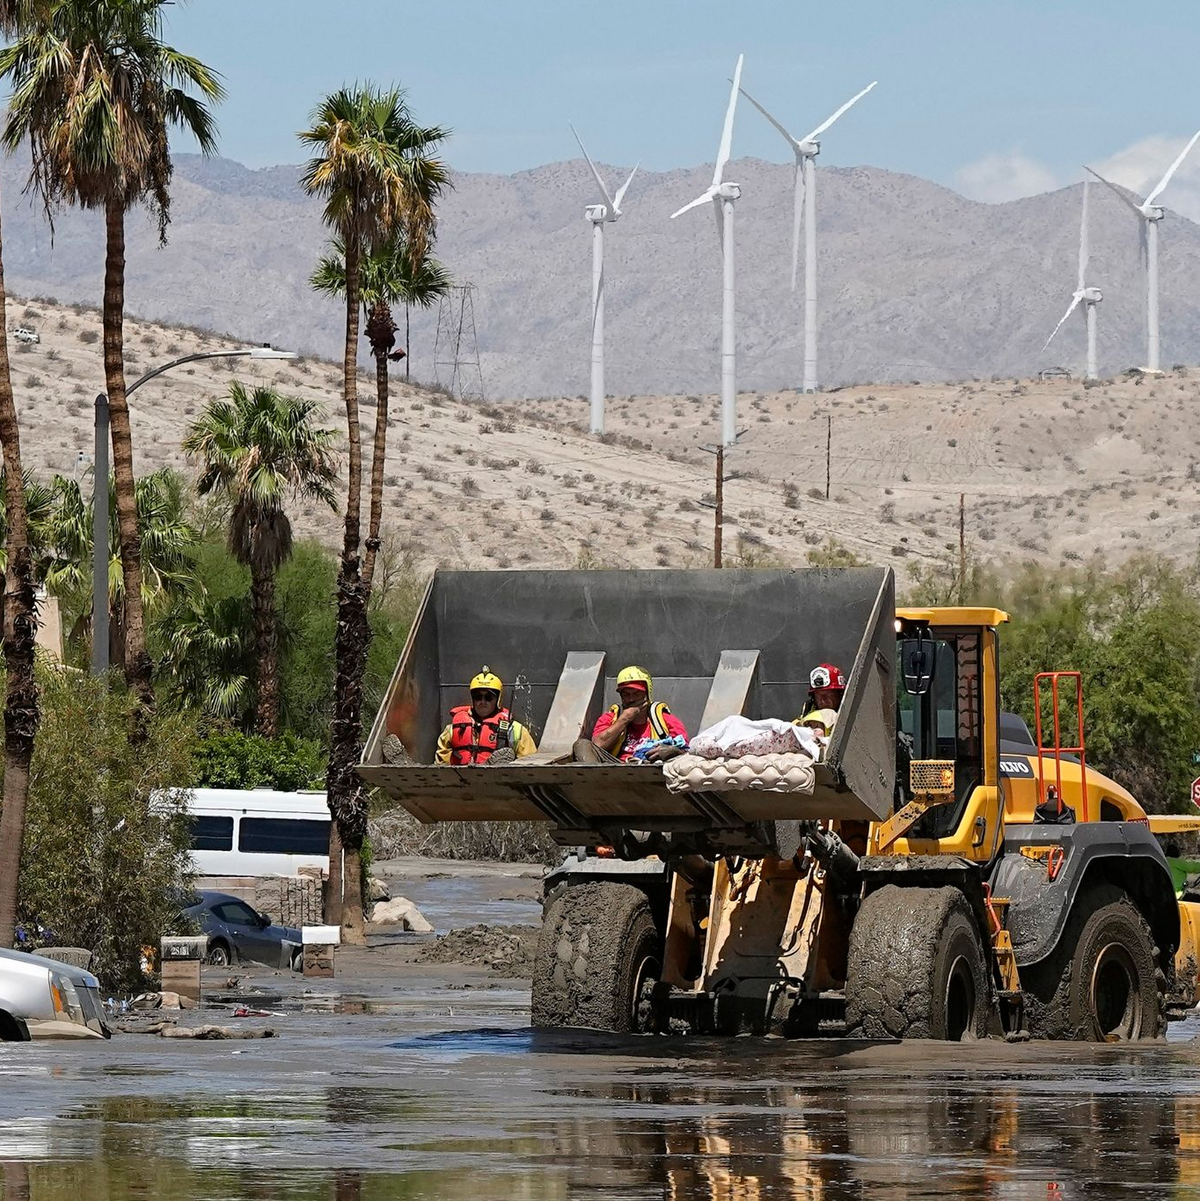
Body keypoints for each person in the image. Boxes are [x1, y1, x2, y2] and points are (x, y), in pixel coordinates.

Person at [436, 667, 538, 766]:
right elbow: (440, 767)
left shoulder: (515, 730)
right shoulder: (451, 730)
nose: (482, 702)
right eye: (478, 697)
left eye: (489, 697)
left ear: (498, 699)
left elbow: (530, 766)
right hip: (460, 780)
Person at [586, 665, 688, 763]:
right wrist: (625, 719)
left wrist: (673, 751)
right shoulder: (610, 718)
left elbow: (687, 753)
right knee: (582, 745)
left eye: (637, 694)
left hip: (651, 767)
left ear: (647, 694)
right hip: (615, 767)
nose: (631, 699)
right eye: (626, 694)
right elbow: (596, 747)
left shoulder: (666, 720)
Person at [794, 662, 847, 731]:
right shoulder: (807, 715)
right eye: (818, 696)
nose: (822, 701)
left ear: (840, 694)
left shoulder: (852, 714)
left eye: (828, 695)